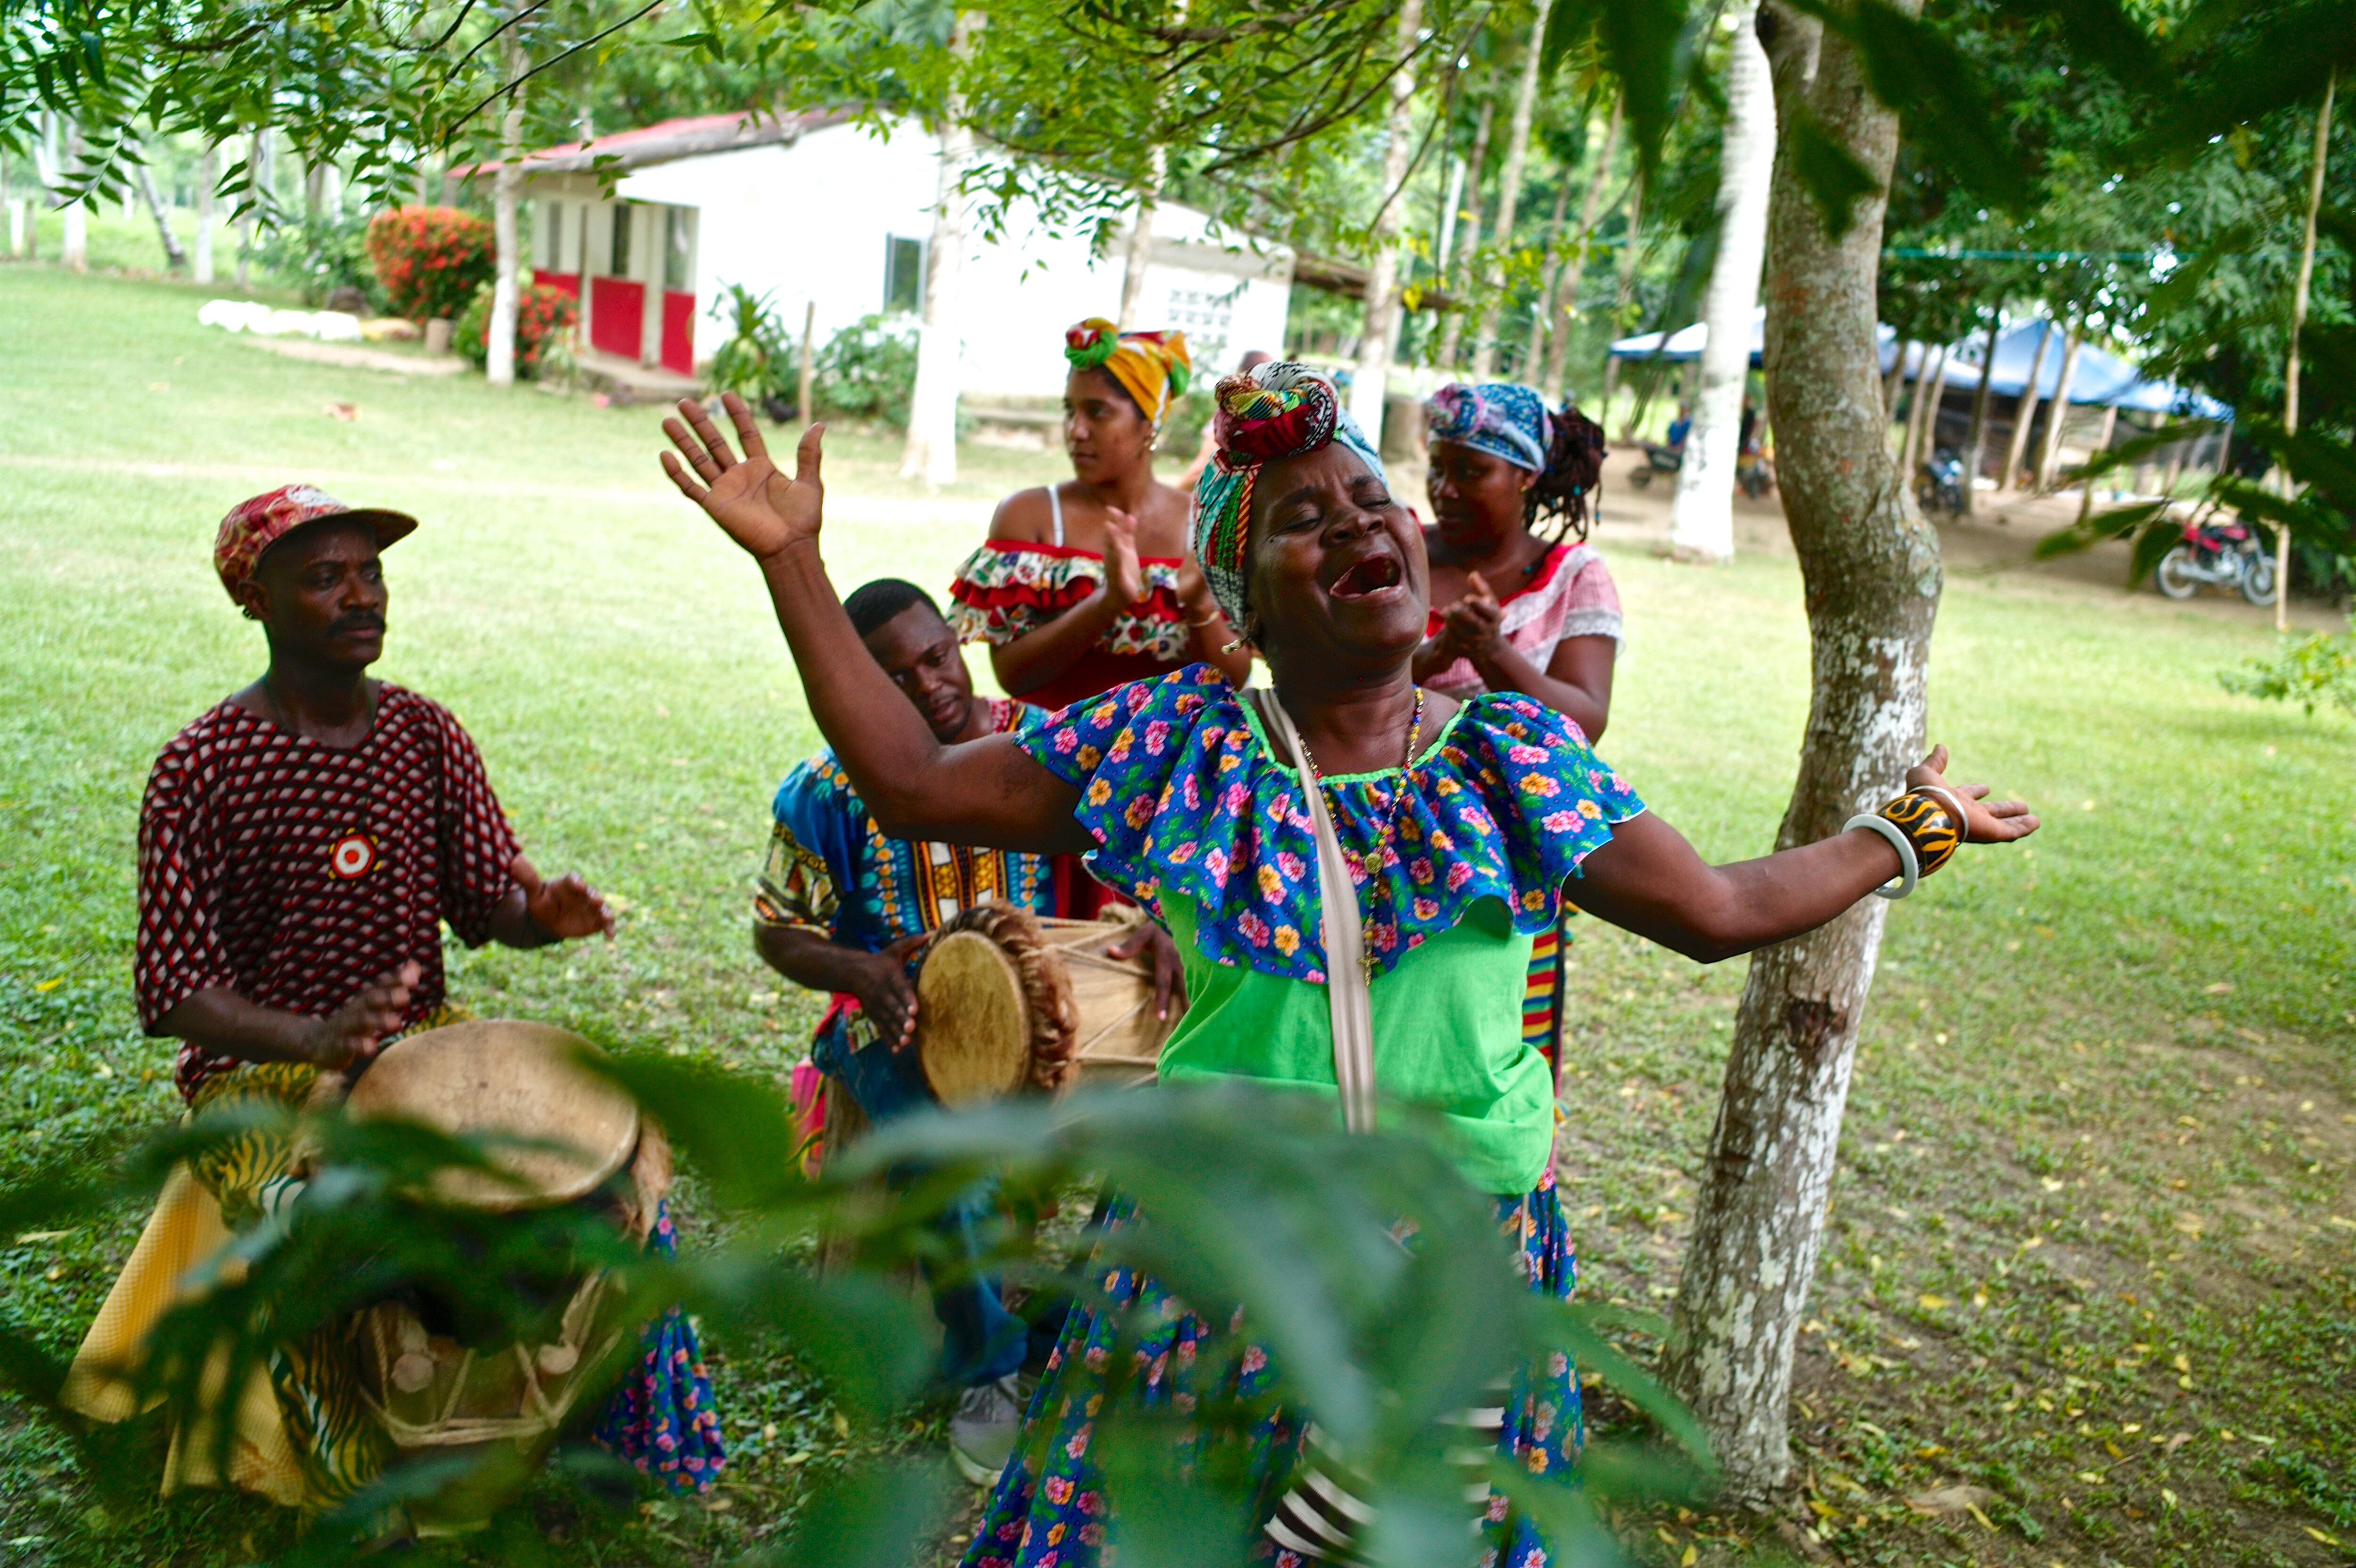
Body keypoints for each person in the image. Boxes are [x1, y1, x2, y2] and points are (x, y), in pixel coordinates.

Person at [656, 369, 2036, 1568]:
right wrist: (792, 557)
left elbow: (1723, 906)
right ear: (1240, 600)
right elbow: (906, 779)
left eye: (1371, 499)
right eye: (1302, 521)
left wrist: (1903, 831)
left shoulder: (1509, 753)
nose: (1359, 522)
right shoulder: (1174, 743)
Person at [61, 485, 721, 1512]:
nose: (361, 594)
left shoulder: (423, 733)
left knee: (614, 1174)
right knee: (333, 1227)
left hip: (425, 1050)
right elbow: (173, 990)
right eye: (324, 576)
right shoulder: (202, 765)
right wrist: (313, 1036)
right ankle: (358, 1488)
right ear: (257, 598)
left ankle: (610, 1437)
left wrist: (537, 909)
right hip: (260, 1076)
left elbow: (487, 898)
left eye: (370, 571)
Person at [751, 576, 1183, 1484]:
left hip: (1045, 1007)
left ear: (958, 640)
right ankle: (991, 1367)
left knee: (1176, 1103)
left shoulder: (1038, 743)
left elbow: (1130, 840)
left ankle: (1090, 1325)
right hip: (887, 1020)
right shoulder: (829, 784)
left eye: (936, 656)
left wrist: (1150, 912)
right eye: (894, 676)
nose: (931, 685)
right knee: (949, 1141)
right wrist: (862, 971)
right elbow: (776, 929)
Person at [1416, 380, 1619, 1085]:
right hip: (1384, 835)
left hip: (1512, 853)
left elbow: (1584, 718)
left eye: (1471, 471)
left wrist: (1494, 653)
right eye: (1438, 467)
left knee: (1486, 1052)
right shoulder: (1402, 551)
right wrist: (1433, 658)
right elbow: (1336, 675)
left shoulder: (1571, 577)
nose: (1446, 488)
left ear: (1526, 476)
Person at [948, 319, 1252, 715]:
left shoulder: (1203, 521)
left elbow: (1232, 681)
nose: (1076, 431)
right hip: (1052, 761)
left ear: (1149, 423)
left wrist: (1198, 608)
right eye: (1069, 411)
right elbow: (1013, 675)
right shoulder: (1031, 518)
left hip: (1173, 766)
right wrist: (1107, 601)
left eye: (1097, 412)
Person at [1178, 347, 1274, 489]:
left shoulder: (1229, 417)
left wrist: (1175, 495)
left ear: (1241, 374)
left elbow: (1199, 471)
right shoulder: (1280, 415)